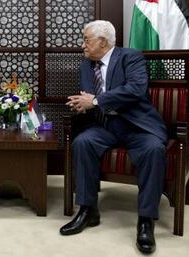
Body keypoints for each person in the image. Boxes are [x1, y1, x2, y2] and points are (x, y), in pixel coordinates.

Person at [61, 20, 167, 254]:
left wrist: (96, 101)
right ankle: (88, 210)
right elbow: (88, 97)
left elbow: (136, 89)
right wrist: (82, 104)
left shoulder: (131, 57)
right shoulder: (86, 66)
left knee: (153, 150)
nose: (82, 45)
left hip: (137, 125)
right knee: (83, 143)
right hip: (107, 125)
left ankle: (145, 221)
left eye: (86, 40)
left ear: (103, 41)